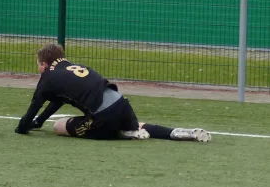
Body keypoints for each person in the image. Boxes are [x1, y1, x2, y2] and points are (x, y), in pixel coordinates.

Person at [15, 43, 212, 142]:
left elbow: (32, 110)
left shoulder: (48, 78)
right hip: (122, 105)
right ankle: (174, 132)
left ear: (44, 64)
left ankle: (123, 133)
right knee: (137, 124)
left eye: (38, 65)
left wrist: (23, 128)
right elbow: (57, 101)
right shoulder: (74, 68)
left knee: (59, 125)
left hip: (103, 118)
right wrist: (39, 122)